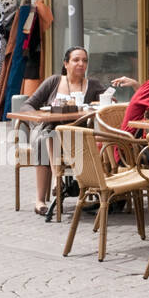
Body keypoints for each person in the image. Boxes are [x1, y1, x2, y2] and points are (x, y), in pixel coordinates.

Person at [26, 47, 108, 216]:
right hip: (50, 130)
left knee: (57, 138)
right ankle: (40, 200)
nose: (81, 64)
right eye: (76, 60)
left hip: (79, 134)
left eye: (84, 61)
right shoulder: (53, 82)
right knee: (46, 138)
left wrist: (106, 100)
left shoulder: (92, 84)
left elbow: (107, 103)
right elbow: (28, 104)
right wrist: (39, 116)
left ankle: (66, 184)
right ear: (66, 63)